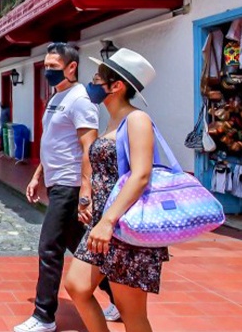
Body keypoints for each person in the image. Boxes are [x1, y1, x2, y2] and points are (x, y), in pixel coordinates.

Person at [65, 48, 168, 332]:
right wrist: (90, 201)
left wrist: (108, 221)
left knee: (131, 312)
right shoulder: (112, 121)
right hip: (103, 224)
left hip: (126, 227)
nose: (92, 84)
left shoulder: (137, 120)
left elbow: (141, 175)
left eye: (97, 79)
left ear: (116, 86)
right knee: (76, 286)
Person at [15, 43, 116, 332]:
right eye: (46, 66)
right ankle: (120, 298)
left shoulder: (80, 99)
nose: (48, 71)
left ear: (72, 67)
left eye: (53, 67)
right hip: (56, 181)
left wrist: (86, 192)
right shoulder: (56, 97)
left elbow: (89, 148)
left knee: (49, 247)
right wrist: (37, 176)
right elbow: (52, 142)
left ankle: (44, 316)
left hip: (70, 185)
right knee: (80, 246)